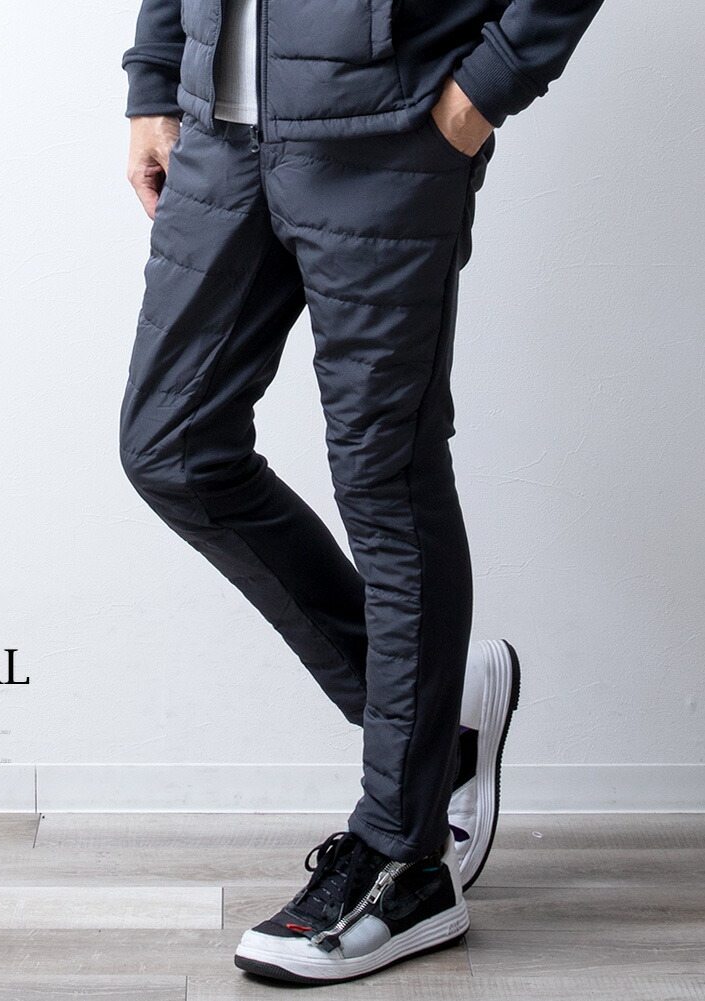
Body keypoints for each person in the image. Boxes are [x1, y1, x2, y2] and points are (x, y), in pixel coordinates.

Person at [118, 0, 600, 984]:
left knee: (383, 477)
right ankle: (432, 736)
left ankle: (403, 856)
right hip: (217, 133)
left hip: (388, 132)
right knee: (171, 449)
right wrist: (155, 77)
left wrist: (481, 91)